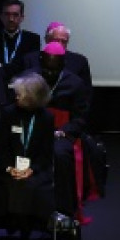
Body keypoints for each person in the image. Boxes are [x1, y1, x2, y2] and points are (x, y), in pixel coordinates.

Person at [37, 41, 98, 221]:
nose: (49, 73)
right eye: (46, 69)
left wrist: (64, 131)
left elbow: (80, 117)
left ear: (62, 64)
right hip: (34, 128)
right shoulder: (31, 78)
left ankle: (63, 209)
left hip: (62, 132)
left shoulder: (76, 83)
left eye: (54, 69)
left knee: (60, 154)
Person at [0, 72, 56, 240]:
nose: (16, 97)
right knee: (12, 182)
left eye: (20, 94)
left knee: (28, 184)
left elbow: (46, 152)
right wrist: (9, 167)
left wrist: (31, 169)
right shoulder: (8, 113)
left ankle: (20, 223)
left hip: (35, 168)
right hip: (9, 166)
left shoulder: (47, 118)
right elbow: (0, 147)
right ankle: (19, 223)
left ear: (32, 97)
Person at [0, 0, 41, 79]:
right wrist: (17, 66)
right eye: (7, 14)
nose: (11, 19)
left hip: (23, 86)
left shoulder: (33, 39)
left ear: (22, 17)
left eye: (15, 15)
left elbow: (31, 67)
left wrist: (2, 66)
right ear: (1, 16)